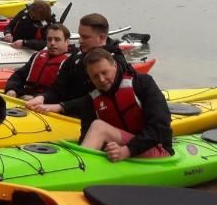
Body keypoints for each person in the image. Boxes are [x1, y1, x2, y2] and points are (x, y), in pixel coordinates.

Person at [34, 48, 172, 161]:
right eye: (95, 76)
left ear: (115, 65)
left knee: (99, 127)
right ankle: (78, 163)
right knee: (94, 129)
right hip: (122, 147)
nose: (101, 79)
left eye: (104, 72)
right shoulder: (93, 98)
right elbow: (85, 134)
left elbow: (160, 127)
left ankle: (81, 166)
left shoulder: (142, 83)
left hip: (156, 149)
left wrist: (127, 150)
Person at [27, 12, 129, 107]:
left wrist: (62, 107)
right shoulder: (75, 58)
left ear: (101, 38)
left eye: (85, 37)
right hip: (66, 111)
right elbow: (58, 88)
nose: (80, 41)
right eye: (80, 36)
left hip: (95, 116)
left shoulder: (116, 62)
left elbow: (101, 97)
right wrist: (42, 97)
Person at [4, 23, 72, 98]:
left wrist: (37, 98)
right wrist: (12, 89)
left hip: (46, 102)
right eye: (49, 39)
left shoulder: (70, 63)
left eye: (57, 40)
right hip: (26, 96)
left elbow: (63, 92)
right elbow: (18, 76)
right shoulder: (38, 56)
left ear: (67, 42)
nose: (52, 43)